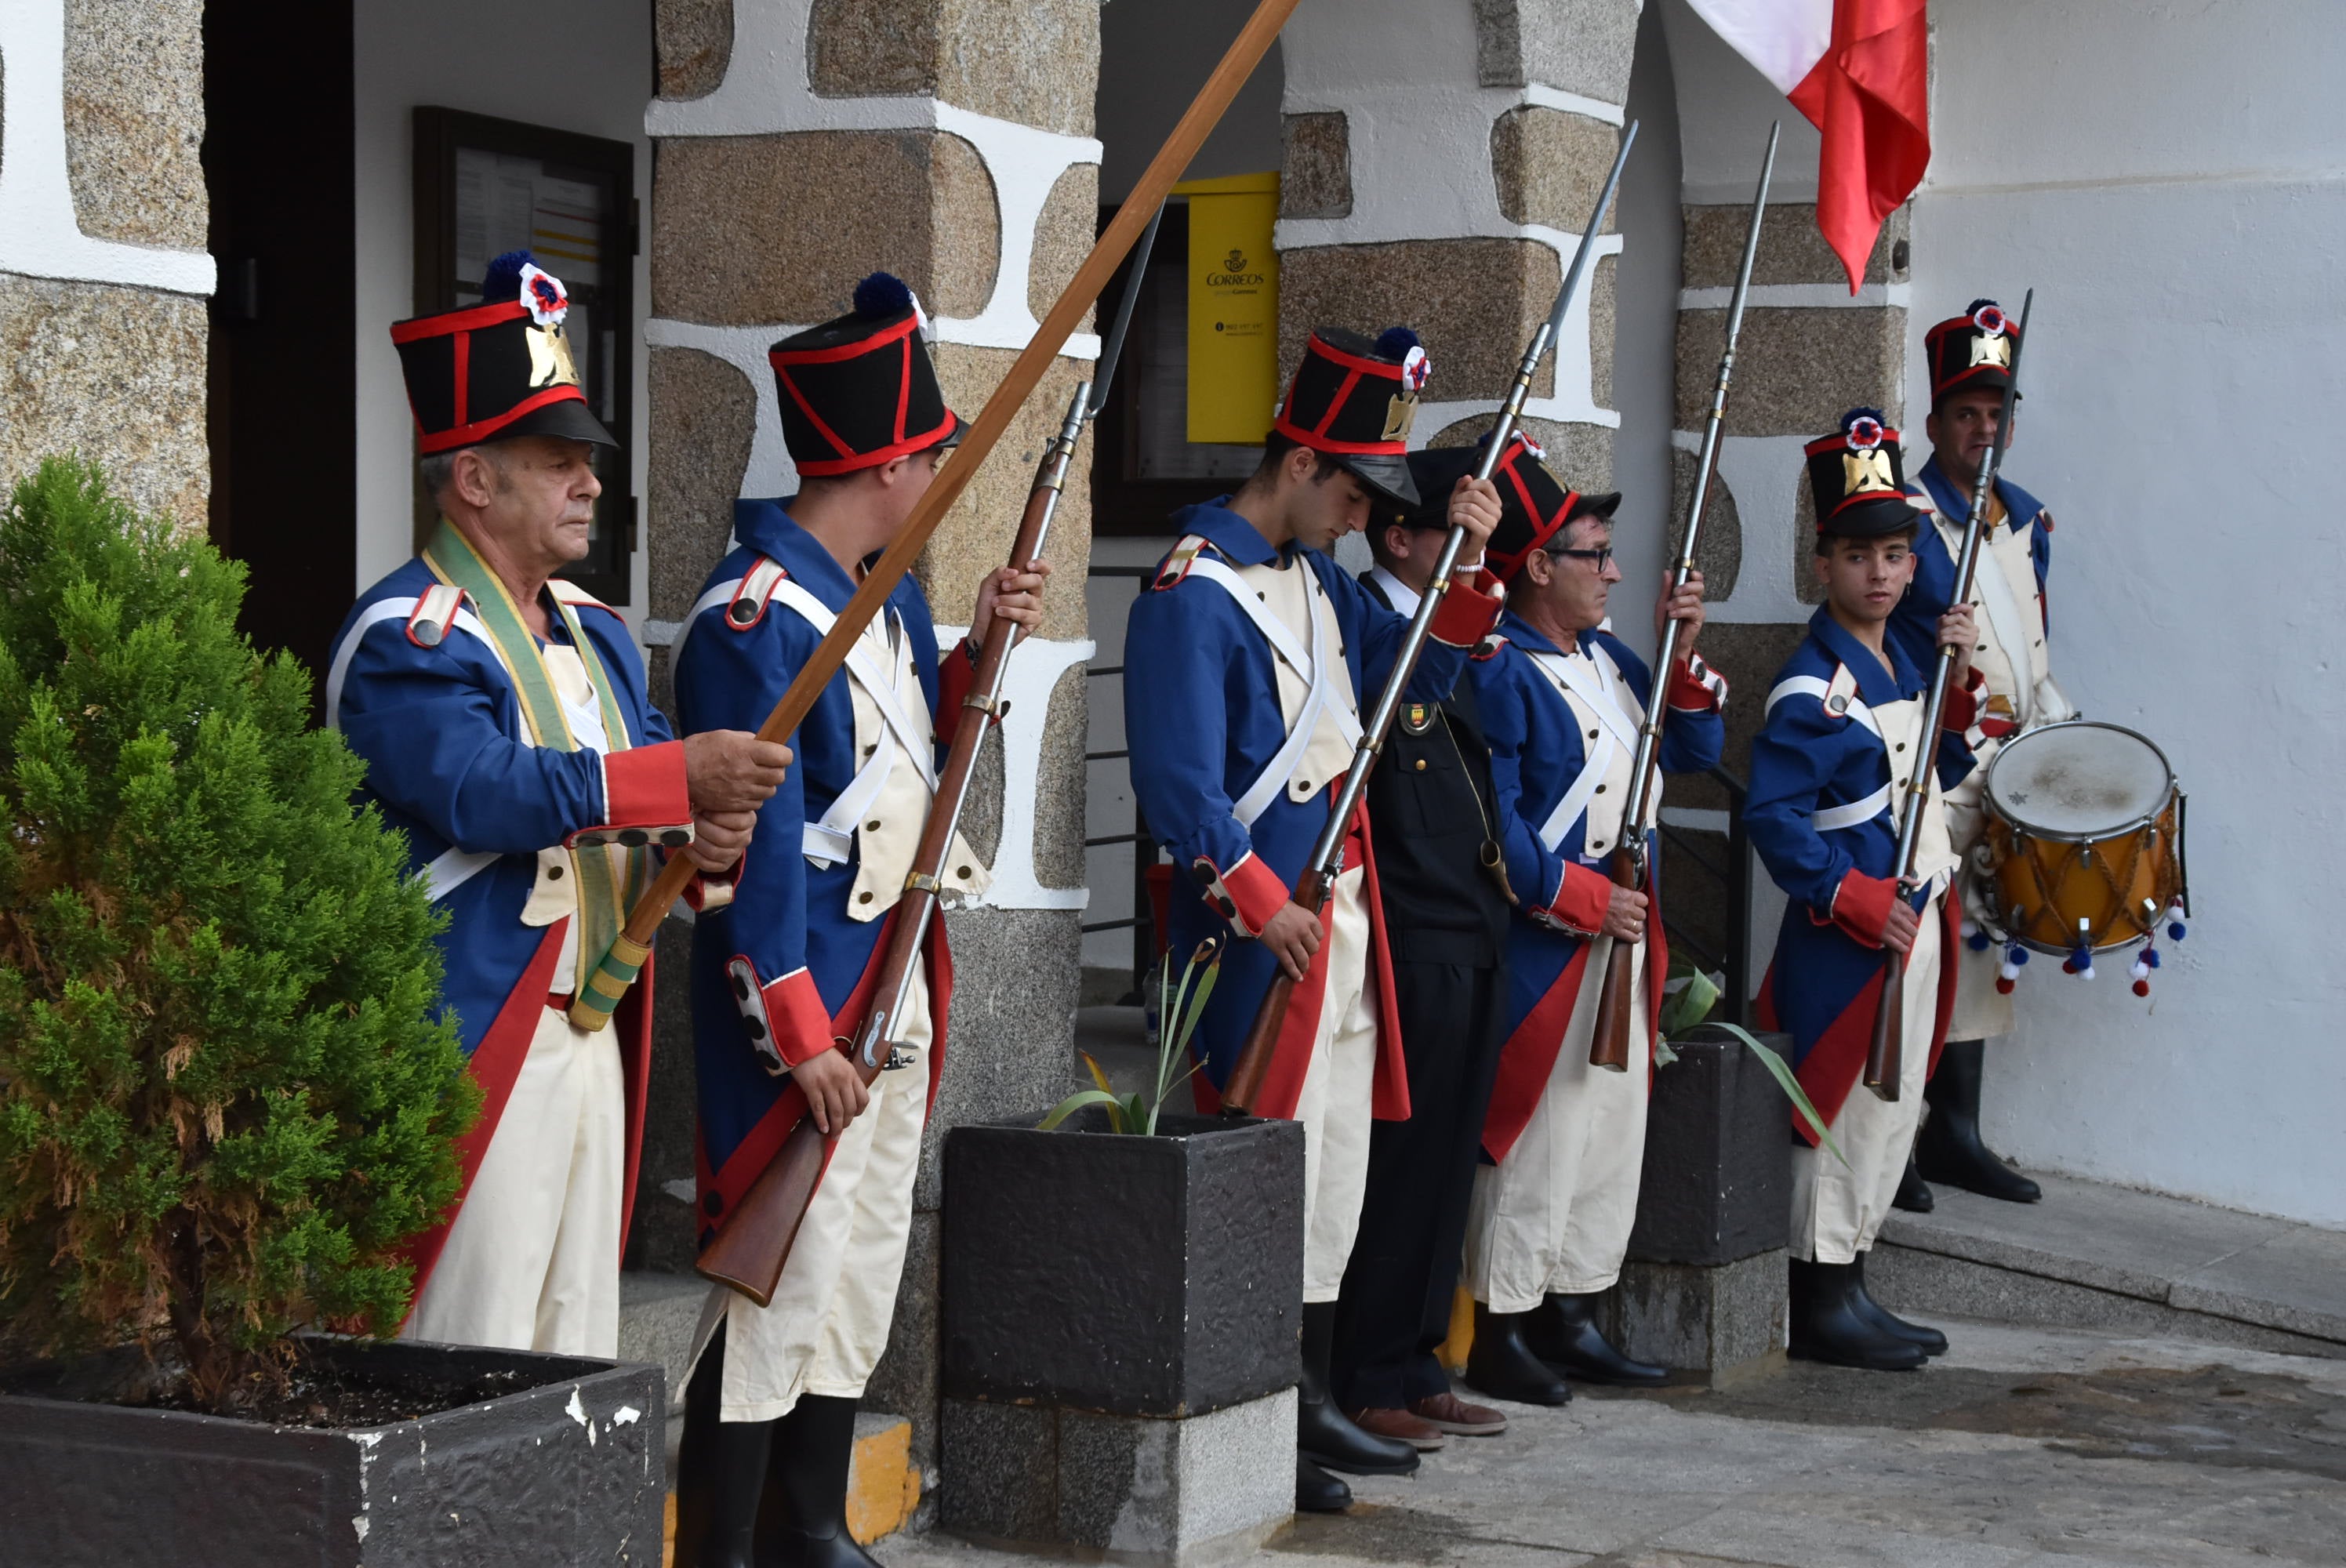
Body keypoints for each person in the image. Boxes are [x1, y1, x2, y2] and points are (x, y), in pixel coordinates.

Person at [331, 250, 790, 1359]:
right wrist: (679, 783)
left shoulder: (595, 630)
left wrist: (701, 839)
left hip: (589, 1025)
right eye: (555, 462)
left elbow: (635, 799)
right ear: (474, 480)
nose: (589, 482)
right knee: (465, 1346)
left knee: (574, 1346)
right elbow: (484, 793)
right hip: (475, 1032)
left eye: (585, 461)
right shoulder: (409, 637)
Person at [669, 273, 1047, 1568]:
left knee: (860, 1259)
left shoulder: (878, 592)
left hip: (890, 971)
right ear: (890, 465)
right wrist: (796, 1032)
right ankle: (729, 1542)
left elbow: (880, 757)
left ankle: (811, 1519)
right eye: (932, 456)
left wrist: (971, 652)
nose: (940, 473)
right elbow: (756, 852)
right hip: (812, 997)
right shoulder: (755, 616)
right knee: (779, 1278)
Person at [1124, 326, 1503, 1513]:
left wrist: (1470, 567)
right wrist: (1260, 903)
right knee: (1263, 1173)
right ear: (1297, 466)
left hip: (1341, 925)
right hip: (1260, 938)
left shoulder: (1322, 582)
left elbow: (1416, 686)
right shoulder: (1195, 588)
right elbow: (1179, 786)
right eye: (1350, 489)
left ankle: (1309, 1395)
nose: (1358, 515)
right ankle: (1262, 1407)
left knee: (1330, 1174)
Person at [1457, 432, 1725, 1405]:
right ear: (1534, 566)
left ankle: (1573, 1311)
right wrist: (1577, 899)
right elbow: (1500, 822)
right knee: (1542, 1132)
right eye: (1593, 553)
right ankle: (1505, 1323)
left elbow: (1694, 745)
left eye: (1610, 552)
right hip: (1553, 934)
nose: (1612, 570)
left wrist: (1685, 655)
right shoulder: (1499, 667)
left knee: (1609, 1129)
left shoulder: (1610, 658)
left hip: (1623, 928)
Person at [1746, 409, 1981, 1370]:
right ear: (1821, 565)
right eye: (1857, 555)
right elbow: (1774, 821)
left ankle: (1854, 1274)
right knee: (1838, 1113)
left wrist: (1957, 675)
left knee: (1893, 1105)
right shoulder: (1811, 688)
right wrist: (1848, 899)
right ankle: (1819, 1292)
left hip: (1915, 915)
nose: (1880, 573)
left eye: (1894, 553)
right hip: (1850, 938)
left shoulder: (1903, 661)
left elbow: (1942, 760)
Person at [1330, 445, 1516, 1452]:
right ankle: (1363, 1371)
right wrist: (1470, 577)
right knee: (1397, 1170)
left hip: (1469, 915)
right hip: (1409, 922)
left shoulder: (1451, 626)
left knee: (1446, 1166)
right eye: (1453, 531)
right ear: (1399, 535)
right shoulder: (1373, 623)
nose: (1470, 555)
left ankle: (1415, 1356)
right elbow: (1396, 698)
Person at [1887, 299, 2069, 1209]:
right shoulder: (1911, 521)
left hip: (2008, 763)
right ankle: (1902, 1132)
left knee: (1983, 934)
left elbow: (2031, 644)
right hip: (1933, 763)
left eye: (1997, 413)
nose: (1983, 430)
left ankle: (1955, 1128)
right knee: (1924, 949)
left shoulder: (2024, 517)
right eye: (1967, 414)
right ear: (1935, 425)